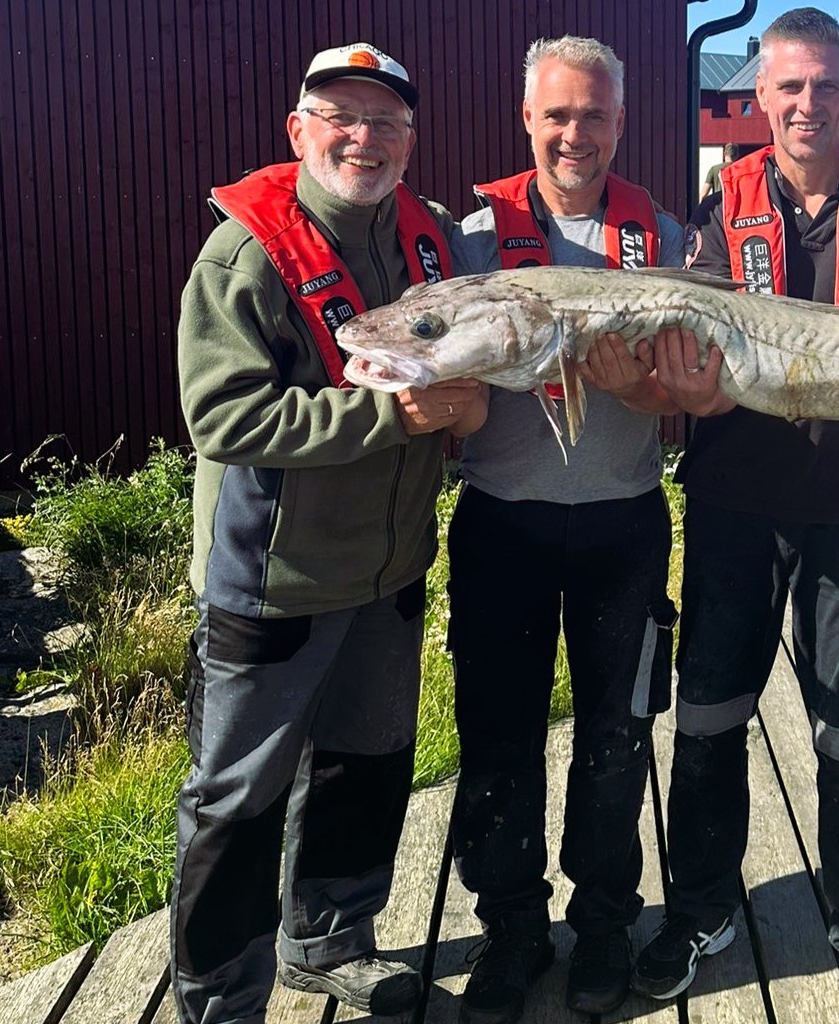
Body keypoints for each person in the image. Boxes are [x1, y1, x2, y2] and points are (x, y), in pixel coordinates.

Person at [629, 9, 839, 1024]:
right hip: (731, 497)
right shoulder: (710, 206)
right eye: (790, 87)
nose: (808, 105)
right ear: (761, 97)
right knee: (709, 712)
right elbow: (679, 343)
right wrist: (678, 382)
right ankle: (698, 908)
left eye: (827, 87)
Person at [171, 43, 485, 1024]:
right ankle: (219, 994)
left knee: (370, 761)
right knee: (238, 798)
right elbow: (222, 417)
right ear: (298, 130)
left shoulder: (426, 237)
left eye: (386, 122)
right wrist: (393, 419)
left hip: (388, 567)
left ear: (410, 141)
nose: (364, 137)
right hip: (273, 577)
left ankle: (330, 942)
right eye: (340, 116)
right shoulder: (249, 249)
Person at [445, 35, 687, 1024]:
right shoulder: (470, 238)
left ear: (621, 123)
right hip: (502, 522)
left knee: (617, 739)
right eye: (557, 115)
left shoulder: (663, 234)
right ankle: (509, 932)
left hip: (625, 526)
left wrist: (658, 386)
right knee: (497, 738)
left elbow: (695, 383)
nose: (574, 134)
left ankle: (601, 927)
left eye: (593, 115)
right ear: (528, 121)